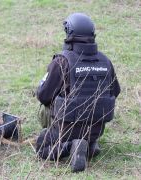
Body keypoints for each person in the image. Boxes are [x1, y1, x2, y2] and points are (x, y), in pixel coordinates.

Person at [35, 13, 120, 172]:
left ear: (69, 33)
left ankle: (68, 146)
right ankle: (90, 145)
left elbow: (43, 95)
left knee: (42, 148)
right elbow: (115, 91)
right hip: (96, 129)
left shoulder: (62, 60)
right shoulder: (105, 61)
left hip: (64, 130)